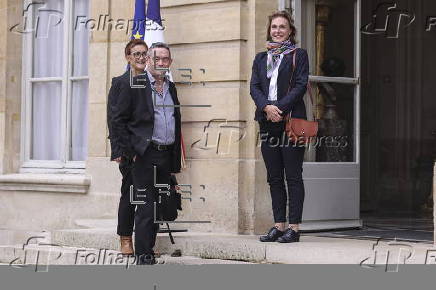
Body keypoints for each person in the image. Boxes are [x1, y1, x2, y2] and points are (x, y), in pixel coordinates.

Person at [111, 42, 181, 264]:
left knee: (159, 206)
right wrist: (130, 152)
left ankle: (147, 250)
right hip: (143, 155)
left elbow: (175, 121)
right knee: (145, 206)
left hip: (165, 154)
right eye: (157, 59)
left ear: (170, 62)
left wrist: (174, 161)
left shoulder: (171, 87)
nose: (161, 63)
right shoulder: (135, 84)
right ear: (149, 60)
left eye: (165, 59)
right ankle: (143, 256)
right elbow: (118, 120)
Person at [250, 10, 309, 243]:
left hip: (290, 121)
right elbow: (254, 86)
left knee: (293, 176)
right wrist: (267, 107)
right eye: (274, 27)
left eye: (282, 27)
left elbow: (300, 86)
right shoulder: (260, 58)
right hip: (267, 122)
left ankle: (293, 228)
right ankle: (278, 225)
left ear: (290, 31)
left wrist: (279, 108)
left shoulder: (299, 55)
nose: (277, 31)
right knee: (274, 177)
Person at [107, 39, 148, 255]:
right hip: (131, 152)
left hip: (149, 150)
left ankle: (145, 242)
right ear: (128, 57)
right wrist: (120, 151)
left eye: (144, 54)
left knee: (148, 197)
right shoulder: (121, 83)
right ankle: (125, 238)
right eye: (136, 54)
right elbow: (115, 120)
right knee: (130, 193)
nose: (141, 58)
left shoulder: (152, 82)